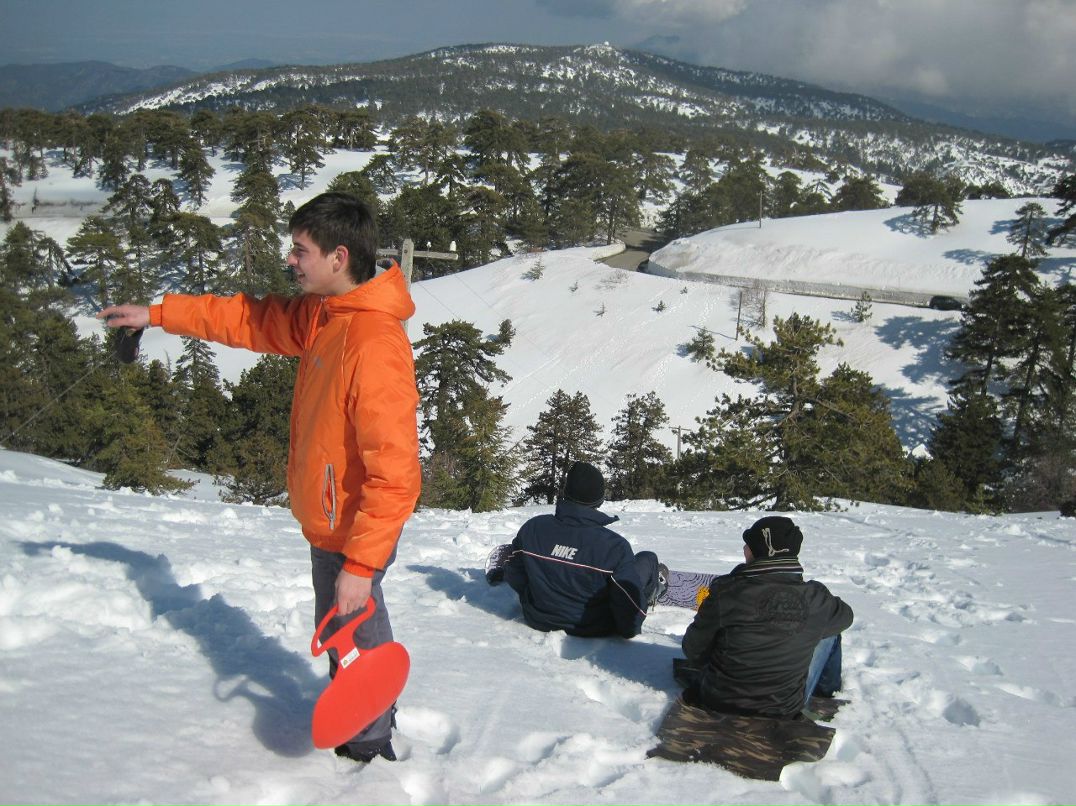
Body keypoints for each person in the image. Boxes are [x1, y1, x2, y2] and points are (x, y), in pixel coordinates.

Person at [98, 192, 421, 763]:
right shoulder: (327, 315)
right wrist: (158, 314)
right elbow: (248, 318)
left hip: (351, 529)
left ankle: (369, 750)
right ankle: (365, 720)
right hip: (331, 521)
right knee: (344, 626)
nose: (291, 260)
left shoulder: (373, 342)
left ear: (338, 256)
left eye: (301, 251)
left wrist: (362, 564)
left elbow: (396, 472)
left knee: (354, 627)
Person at [679, 516, 852, 719]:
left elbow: (693, 650)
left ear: (757, 552)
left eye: (748, 545)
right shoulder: (817, 597)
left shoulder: (727, 591)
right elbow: (846, 617)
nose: (744, 549)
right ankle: (826, 693)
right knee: (830, 626)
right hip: (783, 708)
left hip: (720, 701)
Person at [502, 461, 665, 639]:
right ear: (599, 499)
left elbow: (513, 571)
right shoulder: (614, 547)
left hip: (538, 618)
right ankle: (656, 585)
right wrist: (627, 628)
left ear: (567, 492)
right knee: (647, 558)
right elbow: (630, 615)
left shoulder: (533, 528)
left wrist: (532, 597)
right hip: (592, 627)